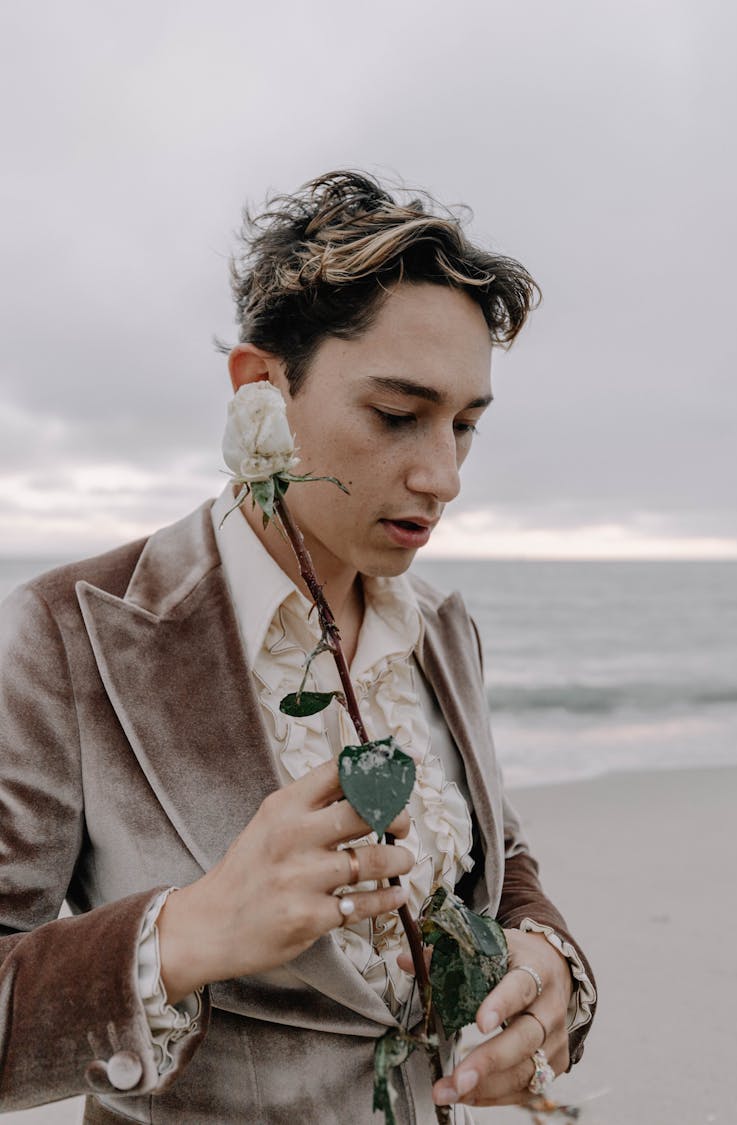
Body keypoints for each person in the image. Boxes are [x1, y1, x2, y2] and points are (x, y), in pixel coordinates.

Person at [0, 171, 596, 1123]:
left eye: (467, 425)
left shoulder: (443, 626)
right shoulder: (69, 632)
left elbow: (502, 851)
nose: (443, 475)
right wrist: (187, 933)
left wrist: (547, 959)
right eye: (398, 414)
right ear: (262, 387)